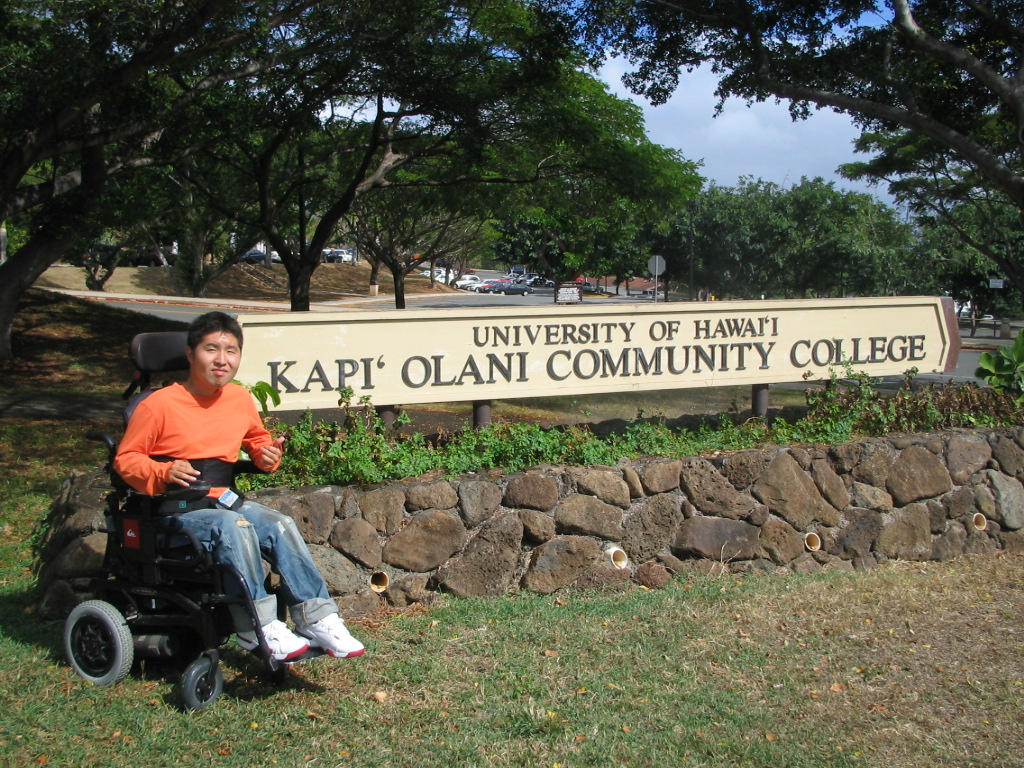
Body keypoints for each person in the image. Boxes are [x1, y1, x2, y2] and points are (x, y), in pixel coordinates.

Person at [113, 311, 364, 662]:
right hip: (175, 510)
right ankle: (259, 625)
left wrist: (265, 454)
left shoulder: (239, 399)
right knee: (234, 526)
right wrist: (163, 471)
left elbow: (257, 440)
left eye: (231, 351)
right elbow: (126, 460)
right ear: (190, 354)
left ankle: (318, 618)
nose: (222, 359)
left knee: (280, 524)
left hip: (222, 500)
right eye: (211, 349)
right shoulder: (157, 405)